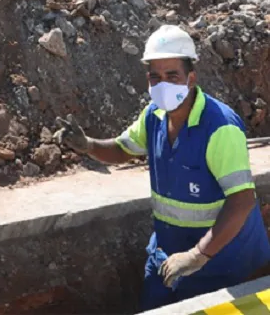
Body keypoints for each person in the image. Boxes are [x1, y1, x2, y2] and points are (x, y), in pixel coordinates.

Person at [53, 24, 270, 311]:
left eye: (172, 76)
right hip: (167, 253)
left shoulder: (220, 127)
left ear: (191, 78)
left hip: (222, 261)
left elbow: (241, 202)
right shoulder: (153, 116)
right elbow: (122, 149)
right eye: (155, 77)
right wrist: (89, 145)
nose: (162, 84)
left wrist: (198, 255)